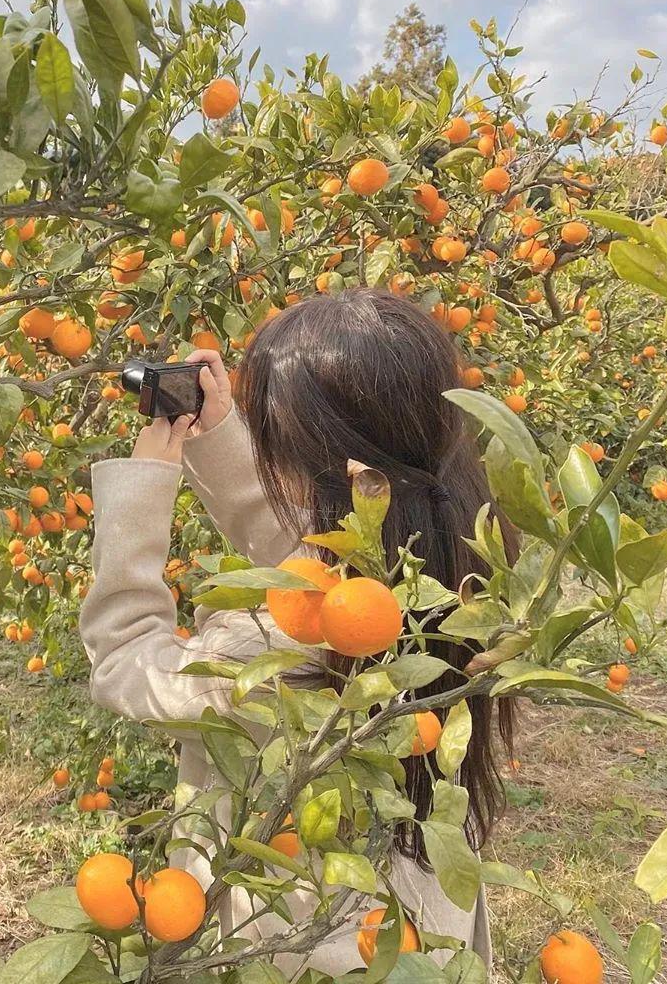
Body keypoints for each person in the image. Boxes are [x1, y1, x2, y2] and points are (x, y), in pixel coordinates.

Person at [78, 288, 519, 976]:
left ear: (314, 459)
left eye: (270, 433)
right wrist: (225, 436)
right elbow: (311, 578)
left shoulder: (259, 656)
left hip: (302, 942)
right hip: (413, 918)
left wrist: (144, 485)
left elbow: (125, 657)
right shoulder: (457, 552)